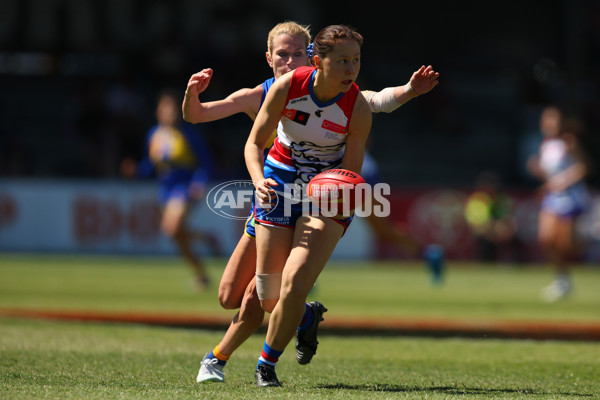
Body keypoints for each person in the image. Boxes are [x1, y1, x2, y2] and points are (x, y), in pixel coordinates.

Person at [183, 21, 439, 384]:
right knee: (253, 297)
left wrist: (411, 90)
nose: (352, 68)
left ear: (310, 56)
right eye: (282, 55)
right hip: (278, 186)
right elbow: (226, 130)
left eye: (357, 60)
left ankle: (256, 365)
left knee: (291, 283)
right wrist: (259, 182)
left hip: (323, 194)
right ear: (272, 58)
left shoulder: (354, 102)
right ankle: (304, 317)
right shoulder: (276, 90)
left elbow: (373, 111)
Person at [121, 89, 217, 289]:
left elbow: (205, 161)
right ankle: (202, 269)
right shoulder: (154, 135)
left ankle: (203, 244)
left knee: (171, 228)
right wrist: (136, 171)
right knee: (178, 236)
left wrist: (198, 182)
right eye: (166, 108)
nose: (170, 113)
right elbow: (150, 165)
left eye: (173, 109)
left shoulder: (188, 133)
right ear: (158, 111)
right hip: (165, 189)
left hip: (184, 187)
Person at [526, 106, 591, 302]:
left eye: (553, 120)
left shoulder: (568, 142)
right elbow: (551, 175)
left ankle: (590, 242)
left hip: (570, 196)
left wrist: (562, 181)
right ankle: (561, 280)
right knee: (546, 239)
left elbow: (584, 167)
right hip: (553, 196)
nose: (549, 124)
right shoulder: (545, 145)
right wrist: (539, 173)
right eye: (546, 120)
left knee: (566, 244)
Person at [464, 170, 520, 263]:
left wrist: (506, 228)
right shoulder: (478, 198)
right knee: (489, 237)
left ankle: (512, 262)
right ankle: (485, 262)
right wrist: (494, 228)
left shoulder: (500, 198)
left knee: (510, 234)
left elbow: (506, 216)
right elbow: (479, 222)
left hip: (496, 228)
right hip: (482, 228)